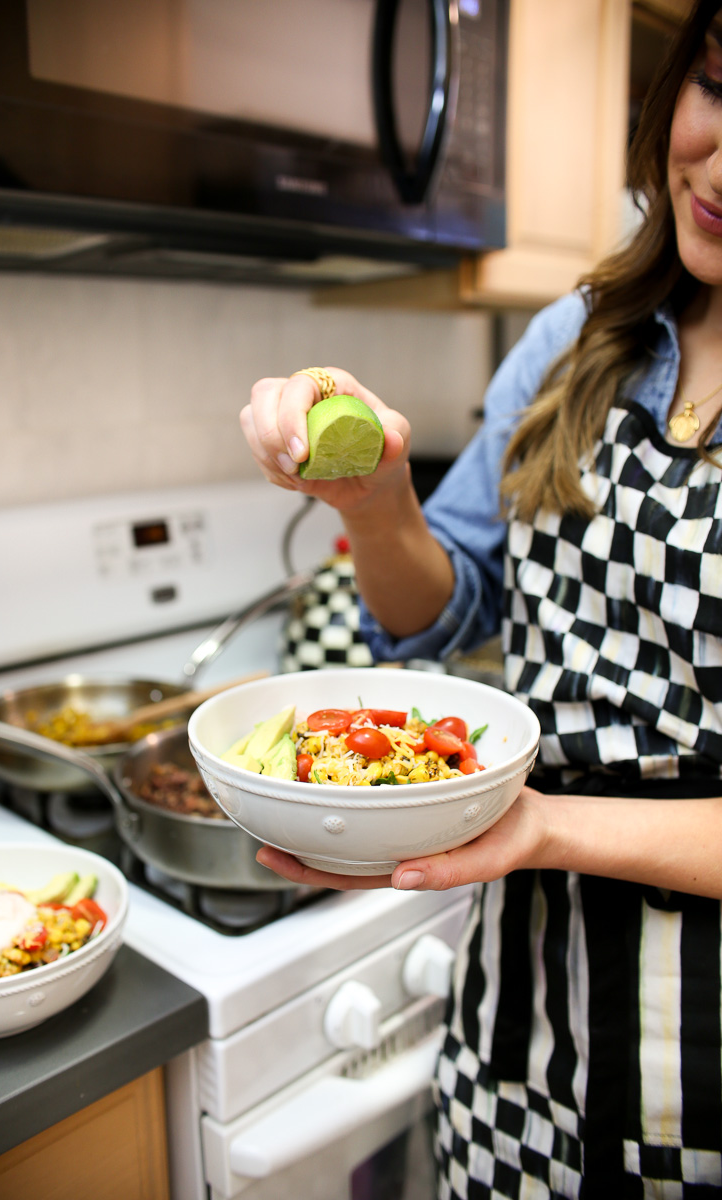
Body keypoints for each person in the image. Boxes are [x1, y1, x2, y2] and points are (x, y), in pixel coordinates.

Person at [240, 2, 722, 1195]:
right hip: (514, 1035)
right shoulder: (578, 335)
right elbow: (439, 612)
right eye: (718, 88)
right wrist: (370, 496)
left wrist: (544, 826)